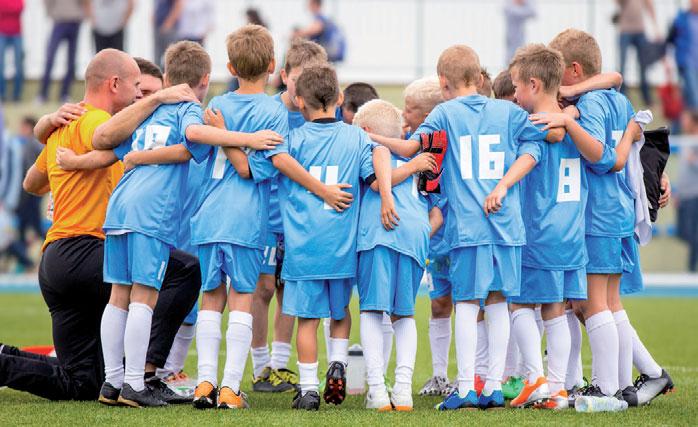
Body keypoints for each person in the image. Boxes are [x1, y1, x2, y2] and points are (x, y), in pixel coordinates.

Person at [368, 44, 565, 411]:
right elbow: (547, 139)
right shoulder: (508, 111)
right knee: (499, 300)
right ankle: (492, 386)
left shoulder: (444, 114)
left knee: (466, 302)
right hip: (506, 225)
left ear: (444, 83)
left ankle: (464, 388)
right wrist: (507, 181)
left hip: (469, 226)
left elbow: (410, 148)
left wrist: (372, 137)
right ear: (479, 78)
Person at [0, 49, 193, 402]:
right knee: (184, 271)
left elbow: (32, 183)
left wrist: (49, 133)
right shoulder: (94, 121)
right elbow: (102, 138)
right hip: (87, 251)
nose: (139, 96)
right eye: (136, 87)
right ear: (114, 84)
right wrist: (161, 98)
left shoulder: (66, 123)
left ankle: (2, 361)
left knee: (81, 382)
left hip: (57, 261)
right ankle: (147, 376)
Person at [268, 64, 393, 411]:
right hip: (342, 247)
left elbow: (275, 160)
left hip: (303, 248)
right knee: (340, 314)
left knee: (306, 321)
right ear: (339, 98)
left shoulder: (293, 140)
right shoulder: (356, 137)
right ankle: (337, 362)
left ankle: (308, 387)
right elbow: (372, 179)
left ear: (299, 101)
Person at [189, 24, 289, 411]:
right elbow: (249, 170)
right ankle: (229, 387)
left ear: (230, 66)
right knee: (242, 297)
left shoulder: (215, 107)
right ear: (272, 65)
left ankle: (203, 384)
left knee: (211, 296)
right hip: (246, 219)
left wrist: (224, 133)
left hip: (208, 215)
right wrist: (235, 138)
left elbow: (198, 149)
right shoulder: (273, 113)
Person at [250, 39, 328, 394]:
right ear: (284, 75)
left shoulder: (322, 115)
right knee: (262, 288)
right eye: (300, 77)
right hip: (266, 215)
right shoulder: (269, 111)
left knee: (289, 290)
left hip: (301, 219)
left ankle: (280, 365)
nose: (307, 85)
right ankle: (259, 365)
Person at [353, 99, 439, 411]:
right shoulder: (421, 154)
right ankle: (403, 390)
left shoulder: (370, 149)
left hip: (379, 233)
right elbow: (437, 209)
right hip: (414, 235)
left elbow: (378, 178)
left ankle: (377, 390)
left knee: (372, 311)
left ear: (365, 131)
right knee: (405, 314)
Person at [38, 0, 88, 103]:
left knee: (71, 61)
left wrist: (83, 14)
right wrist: (51, 13)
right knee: (50, 58)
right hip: (59, 21)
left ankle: (64, 94)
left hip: (75, 21)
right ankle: (43, 94)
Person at [617, 0, 658, 106]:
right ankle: (622, 97)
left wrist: (656, 27)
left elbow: (650, 6)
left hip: (640, 31)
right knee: (622, 65)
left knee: (643, 66)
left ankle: (646, 98)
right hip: (625, 30)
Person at [667, 1, 698, 112]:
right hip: (687, 63)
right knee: (694, 97)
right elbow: (670, 39)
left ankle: (680, 125)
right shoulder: (682, 18)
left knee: (686, 97)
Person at [0, 0, 24, 102]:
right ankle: (2, 94)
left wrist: (6, 8)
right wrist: (11, 8)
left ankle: (16, 95)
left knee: (19, 65)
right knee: (1, 65)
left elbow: (20, 8)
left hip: (17, 33)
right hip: (2, 32)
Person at [503, 0, 536, 64]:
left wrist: (523, 3)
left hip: (521, 38)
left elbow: (533, 12)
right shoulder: (509, 5)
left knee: (520, 57)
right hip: (510, 37)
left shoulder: (524, 4)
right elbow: (506, 9)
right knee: (510, 58)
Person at [153, 0, 183, 67]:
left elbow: (178, 5)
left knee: (171, 58)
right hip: (158, 27)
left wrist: (168, 24)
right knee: (157, 57)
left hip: (170, 29)